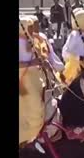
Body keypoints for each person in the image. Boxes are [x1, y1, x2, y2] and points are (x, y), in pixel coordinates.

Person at [19, 16, 64, 146]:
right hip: (24, 81)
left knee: (51, 100)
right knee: (36, 106)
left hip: (38, 77)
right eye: (31, 26)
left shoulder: (35, 40)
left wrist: (46, 64)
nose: (34, 28)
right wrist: (33, 62)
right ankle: (29, 137)